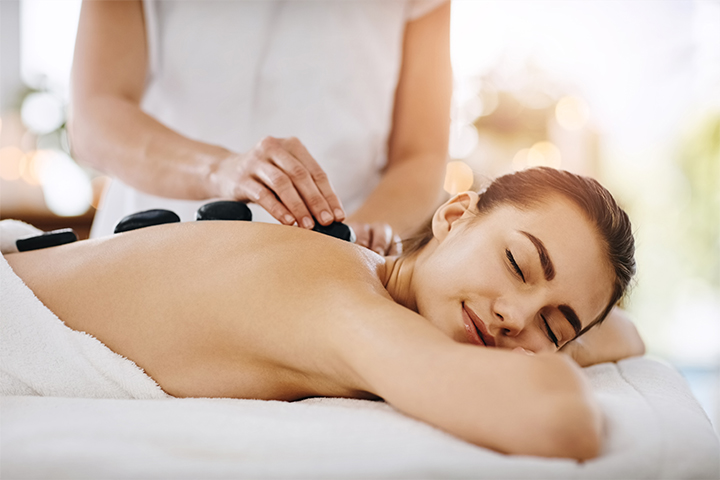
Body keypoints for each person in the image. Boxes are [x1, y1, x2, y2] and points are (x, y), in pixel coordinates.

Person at [4, 167, 644, 459]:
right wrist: (559, 347)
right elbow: (558, 418)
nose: (514, 319)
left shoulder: (362, 271)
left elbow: (627, 333)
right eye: (517, 265)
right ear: (453, 216)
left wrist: (558, 340)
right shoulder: (335, 294)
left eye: (552, 326)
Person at [69, 0, 452, 254]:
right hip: (150, 246)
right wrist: (219, 169)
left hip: (333, 267)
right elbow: (95, 115)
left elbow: (421, 152)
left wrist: (363, 234)